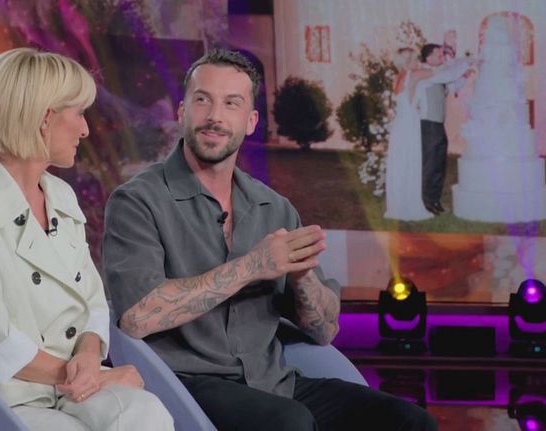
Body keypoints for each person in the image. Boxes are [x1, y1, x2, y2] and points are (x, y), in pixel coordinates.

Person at [103, 49, 438, 431]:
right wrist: (252, 266)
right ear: (182, 112)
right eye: (203, 100)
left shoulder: (274, 208)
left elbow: (325, 330)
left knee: (411, 421)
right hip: (185, 384)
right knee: (289, 422)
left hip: (272, 382)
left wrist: (302, 277)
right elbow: (137, 317)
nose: (215, 116)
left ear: (250, 122)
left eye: (231, 103)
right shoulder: (137, 201)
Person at [0, 48, 173, 431]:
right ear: (45, 118)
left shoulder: (61, 196)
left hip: (63, 389)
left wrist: (89, 356)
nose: (85, 130)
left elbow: (92, 302)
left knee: (145, 412)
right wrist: (92, 375)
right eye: (78, 114)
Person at [418, 43, 476, 215]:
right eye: (439, 55)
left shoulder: (437, 74)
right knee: (431, 165)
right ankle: (427, 202)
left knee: (439, 164)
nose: (442, 58)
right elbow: (448, 76)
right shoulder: (424, 73)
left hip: (437, 125)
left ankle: (434, 199)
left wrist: (464, 76)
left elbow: (452, 86)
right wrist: (468, 62)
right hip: (428, 124)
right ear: (428, 57)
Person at [384, 47, 435, 221]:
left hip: (400, 123)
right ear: (406, 62)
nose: (418, 62)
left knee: (400, 163)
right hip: (409, 124)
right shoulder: (413, 75)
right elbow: (435, 72)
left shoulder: (398, 77)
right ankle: (409, 203)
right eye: (414, 59)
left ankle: (398, 203)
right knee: (410, 161)